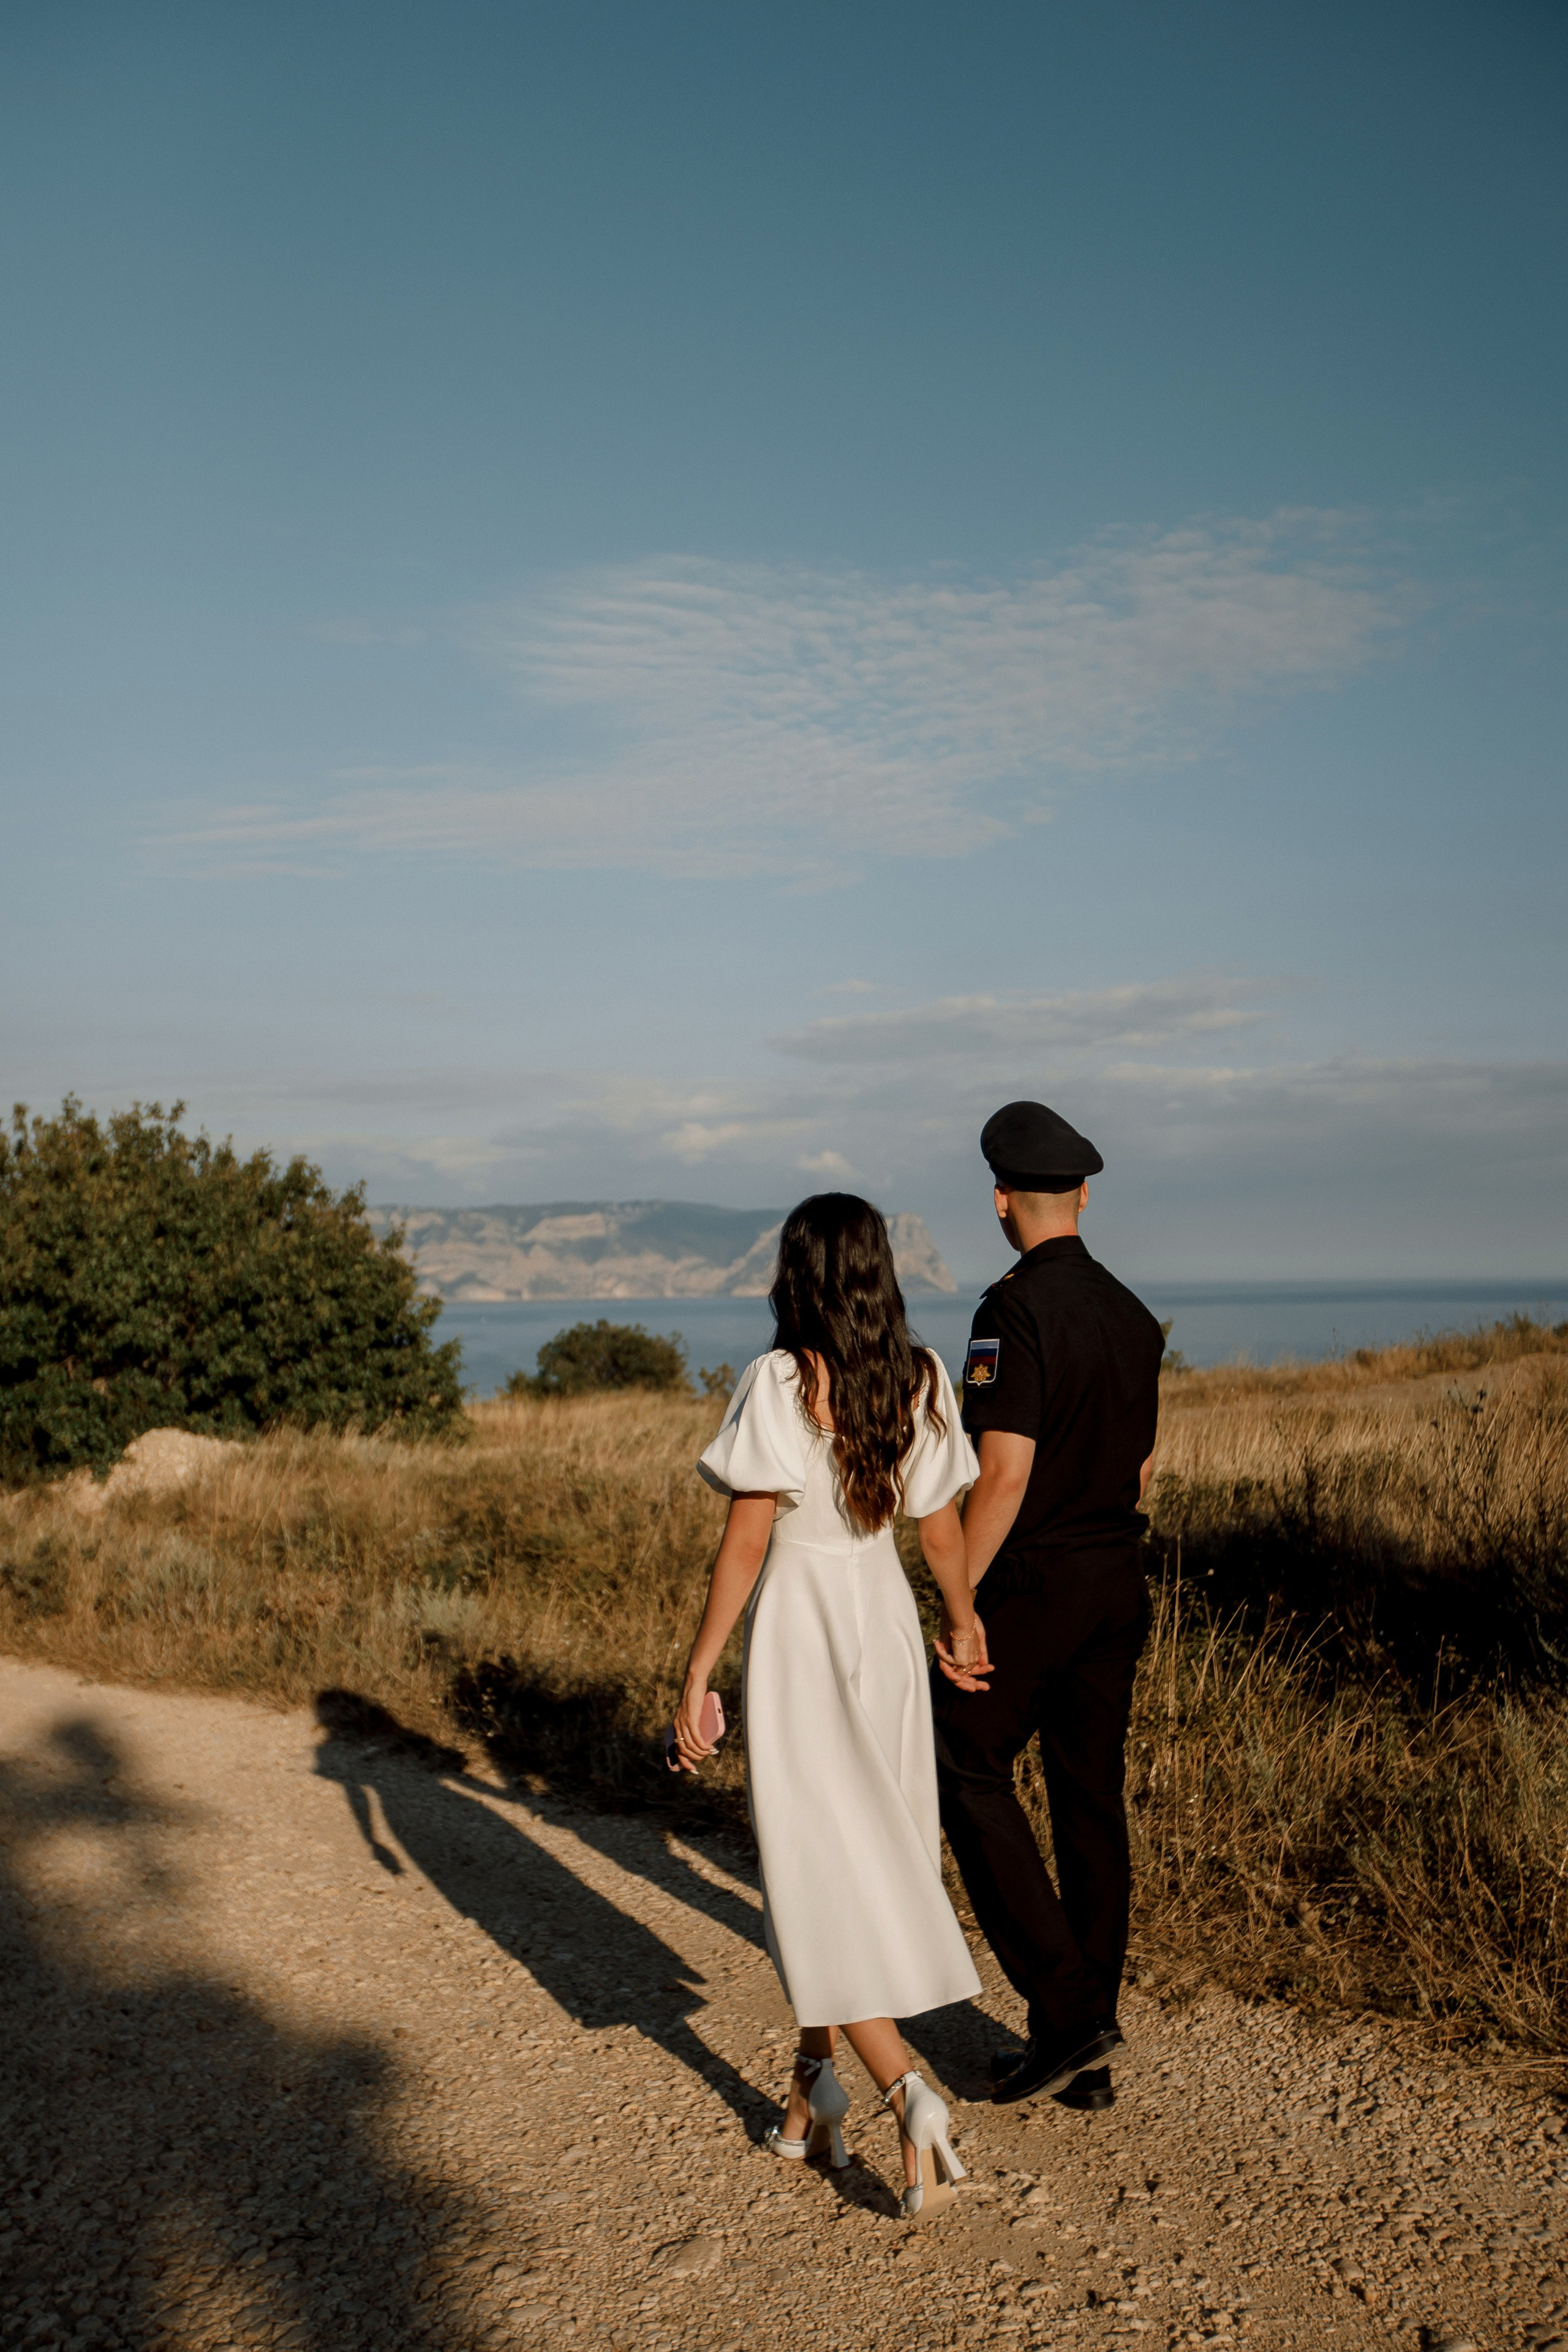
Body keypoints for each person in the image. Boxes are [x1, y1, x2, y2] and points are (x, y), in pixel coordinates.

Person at [673, 1193, 984, 2220]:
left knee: (818, 1870)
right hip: (885, 1623)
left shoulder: (776, 1381)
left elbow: (748, 1543)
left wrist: (699, 1669)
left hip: (804, 1632)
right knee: (859, 1857)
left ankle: (906, 2090)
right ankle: (812, 2092)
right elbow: (941, 1531)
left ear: (796, 1274)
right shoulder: (925, 1376)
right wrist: (963, 1617)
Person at [930, 1101, 1164, 2111]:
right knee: (1087, 1803)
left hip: (1035, 1581)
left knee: (964, 1765)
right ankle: (1086, 2055)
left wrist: (960, 1599)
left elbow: (1004, 1472)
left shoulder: (1010, 1309)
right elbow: (1143, 1467)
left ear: (999, 1201)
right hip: (1119, 1579)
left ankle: (1068, 2014)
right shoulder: (1130, 1312)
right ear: (1079, 1195)